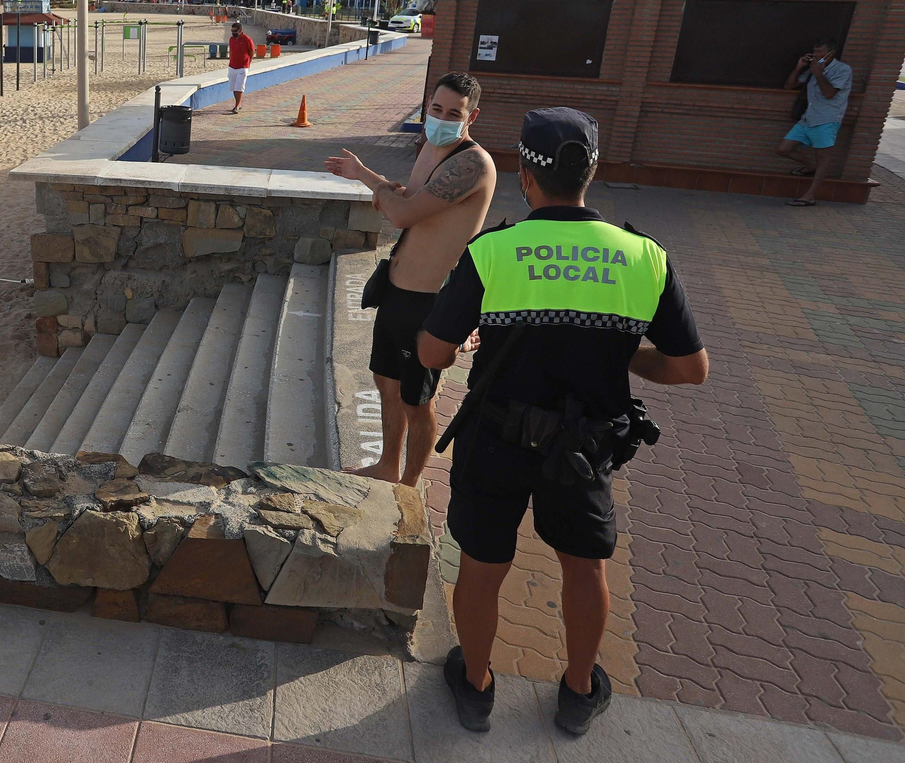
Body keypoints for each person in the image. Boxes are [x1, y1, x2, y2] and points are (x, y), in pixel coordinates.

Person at [417, 107, 708, 736]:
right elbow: (690, 369)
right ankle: (578, 692)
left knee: (482, 563)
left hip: (495, 440)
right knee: (584, 566)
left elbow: (432, 354)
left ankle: (475, 685)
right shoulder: (643, 257)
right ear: (592, 170)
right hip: (584, 448)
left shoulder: (494, 251)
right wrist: (618, 350)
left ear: (525, 174)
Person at [324, 71, 496, 486]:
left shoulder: (472, 163)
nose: (441, 118)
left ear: (471, 117)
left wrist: (372, 182)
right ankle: (387, 465)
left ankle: (409, 484)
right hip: (398, 292)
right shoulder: (429, 149)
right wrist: (377, 182)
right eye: (436, 109)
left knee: (418, 400)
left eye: (453, 113)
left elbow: (400, 213)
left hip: (430, 302)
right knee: (386, 383)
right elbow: (406, 201)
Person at [779, 37, 852, 207]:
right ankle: (809, 165)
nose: (815, 54)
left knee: (823, 159)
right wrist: (799, 67)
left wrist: (819, 74)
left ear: (831, 53)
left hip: (827, 120)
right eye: (815, 51)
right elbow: (789, 86)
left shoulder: (842, 70)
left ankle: (810, 196)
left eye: (820, 51)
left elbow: (829, 94)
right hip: (808, 118)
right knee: (783, 148)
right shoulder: (813, 68)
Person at [225, 21, 256, 114]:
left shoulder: (247, 39)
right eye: (232, 31)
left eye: (235, 31)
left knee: (239, 86)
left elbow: (251, 52)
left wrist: (249, 61)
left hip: (243, 66)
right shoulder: (231, 39)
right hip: (232, 66)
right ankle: (238, 103)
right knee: (233, 87)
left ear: (240, 31)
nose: (233, 33)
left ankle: (237, 106)